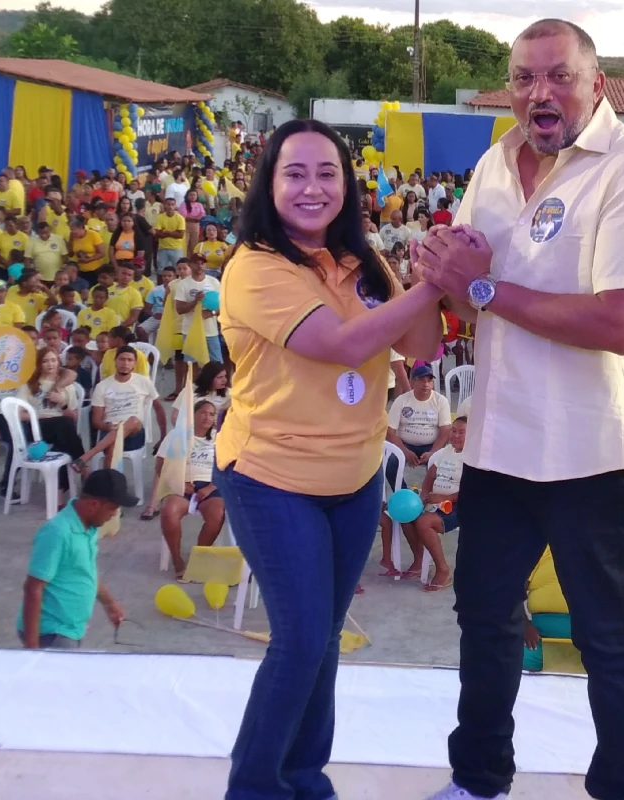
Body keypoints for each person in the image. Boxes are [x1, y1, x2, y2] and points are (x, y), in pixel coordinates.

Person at [411, 20, 624, 800]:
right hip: (498, 441)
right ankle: (479, 779)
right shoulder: (493, 165)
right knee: (484, 618)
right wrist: (441, 277)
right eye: (525, 78)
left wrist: (484, 288)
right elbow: (464, 302)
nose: (540, 93)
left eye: (559, 75)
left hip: (587, 449)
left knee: (605, 633)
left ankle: (620, 786)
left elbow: (617, 323)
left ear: (598, 84)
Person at [214, 119, 443, 800]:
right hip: (272, 477)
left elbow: (420, 345)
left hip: (355, 477)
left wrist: (424, 281)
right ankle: (255, 789)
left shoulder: (361, 260)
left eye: (327, 173)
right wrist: (433, 285)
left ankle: (304, 778)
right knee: (300, 639)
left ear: (347, 184)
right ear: (270, 183)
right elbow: (342, 344)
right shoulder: (256, 266)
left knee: (325, 638)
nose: (312, 187)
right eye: (295, 173)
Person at [17, 468, 132, 649]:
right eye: (112, 508)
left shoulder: (89, 529)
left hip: (72, 628)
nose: (114, 514)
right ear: (93, 504)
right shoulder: (57, 532)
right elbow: (33, 588)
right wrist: (32, 650)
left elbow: (86, 571)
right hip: (51, 632)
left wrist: (110, 603)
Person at [150, 400, 225, 577]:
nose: (207, 417)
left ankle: (198, 557)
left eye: (211, 414)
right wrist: (179, 484)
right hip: (182, 485)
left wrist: (210, 487)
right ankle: (176, 559)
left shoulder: (220, 438)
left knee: (217, 515)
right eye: (203, 413)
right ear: (193, 415)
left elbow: (227, 468)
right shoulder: (177, 435)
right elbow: (160, 465)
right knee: (169, 511)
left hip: (211, 486)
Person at [398, 416, 467, 592]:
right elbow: (430, 477)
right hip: (435, 500)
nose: (456, 435)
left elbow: (473, 490)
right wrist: (423, 497)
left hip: (459, 504)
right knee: (406, 515)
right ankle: (419, 560)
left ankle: (443, 570)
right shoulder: (445, 452)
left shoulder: (473, 458)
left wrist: (445, 498)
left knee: (424, 522)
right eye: (454, 431)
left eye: (462, 432)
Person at [16, 347, 86, 496]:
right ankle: (85, 467)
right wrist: (42, 416)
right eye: (45, 361)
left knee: (63, 439)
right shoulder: (30, 384)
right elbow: (19, 415)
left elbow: (74, 416)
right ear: (39, 363)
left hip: (63, 429)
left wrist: (62, 403)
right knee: (64, 425)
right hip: (37, 428)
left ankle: (59, 490)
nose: (50, 364)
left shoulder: (66, 385)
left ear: (59, 362)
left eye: (53, 360)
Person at [384, 363, 451, 489]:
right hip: (405, 445)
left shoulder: (441, 401)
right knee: (390, 463)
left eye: (429, 380)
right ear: (412, 382)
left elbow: (445, 432)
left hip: (431, 445)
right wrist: (405, 451)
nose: (426, 384)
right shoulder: (402, 400)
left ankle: (429, 495)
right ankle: (403, 493)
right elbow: (390, 431)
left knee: (442, 465)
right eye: (421, 380)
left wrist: (432, 452)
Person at [521, 546, 569, 672]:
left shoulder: (593, 549)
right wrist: (524, 624)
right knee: (506, 663)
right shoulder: (539, 551)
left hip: (588, 647)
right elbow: (513, 591)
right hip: (538, 645)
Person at [174, 255, 223, 365]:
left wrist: (211, 313)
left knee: (216, 364)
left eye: (202, 263)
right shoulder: (183, 284)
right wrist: (195, 301)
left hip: (210, 331)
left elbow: (223, 306)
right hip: (190, 332)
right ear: (190, 265)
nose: (200, 266)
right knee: (192, 365)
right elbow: (179, 309)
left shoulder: (214, 282)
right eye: (196, 263)